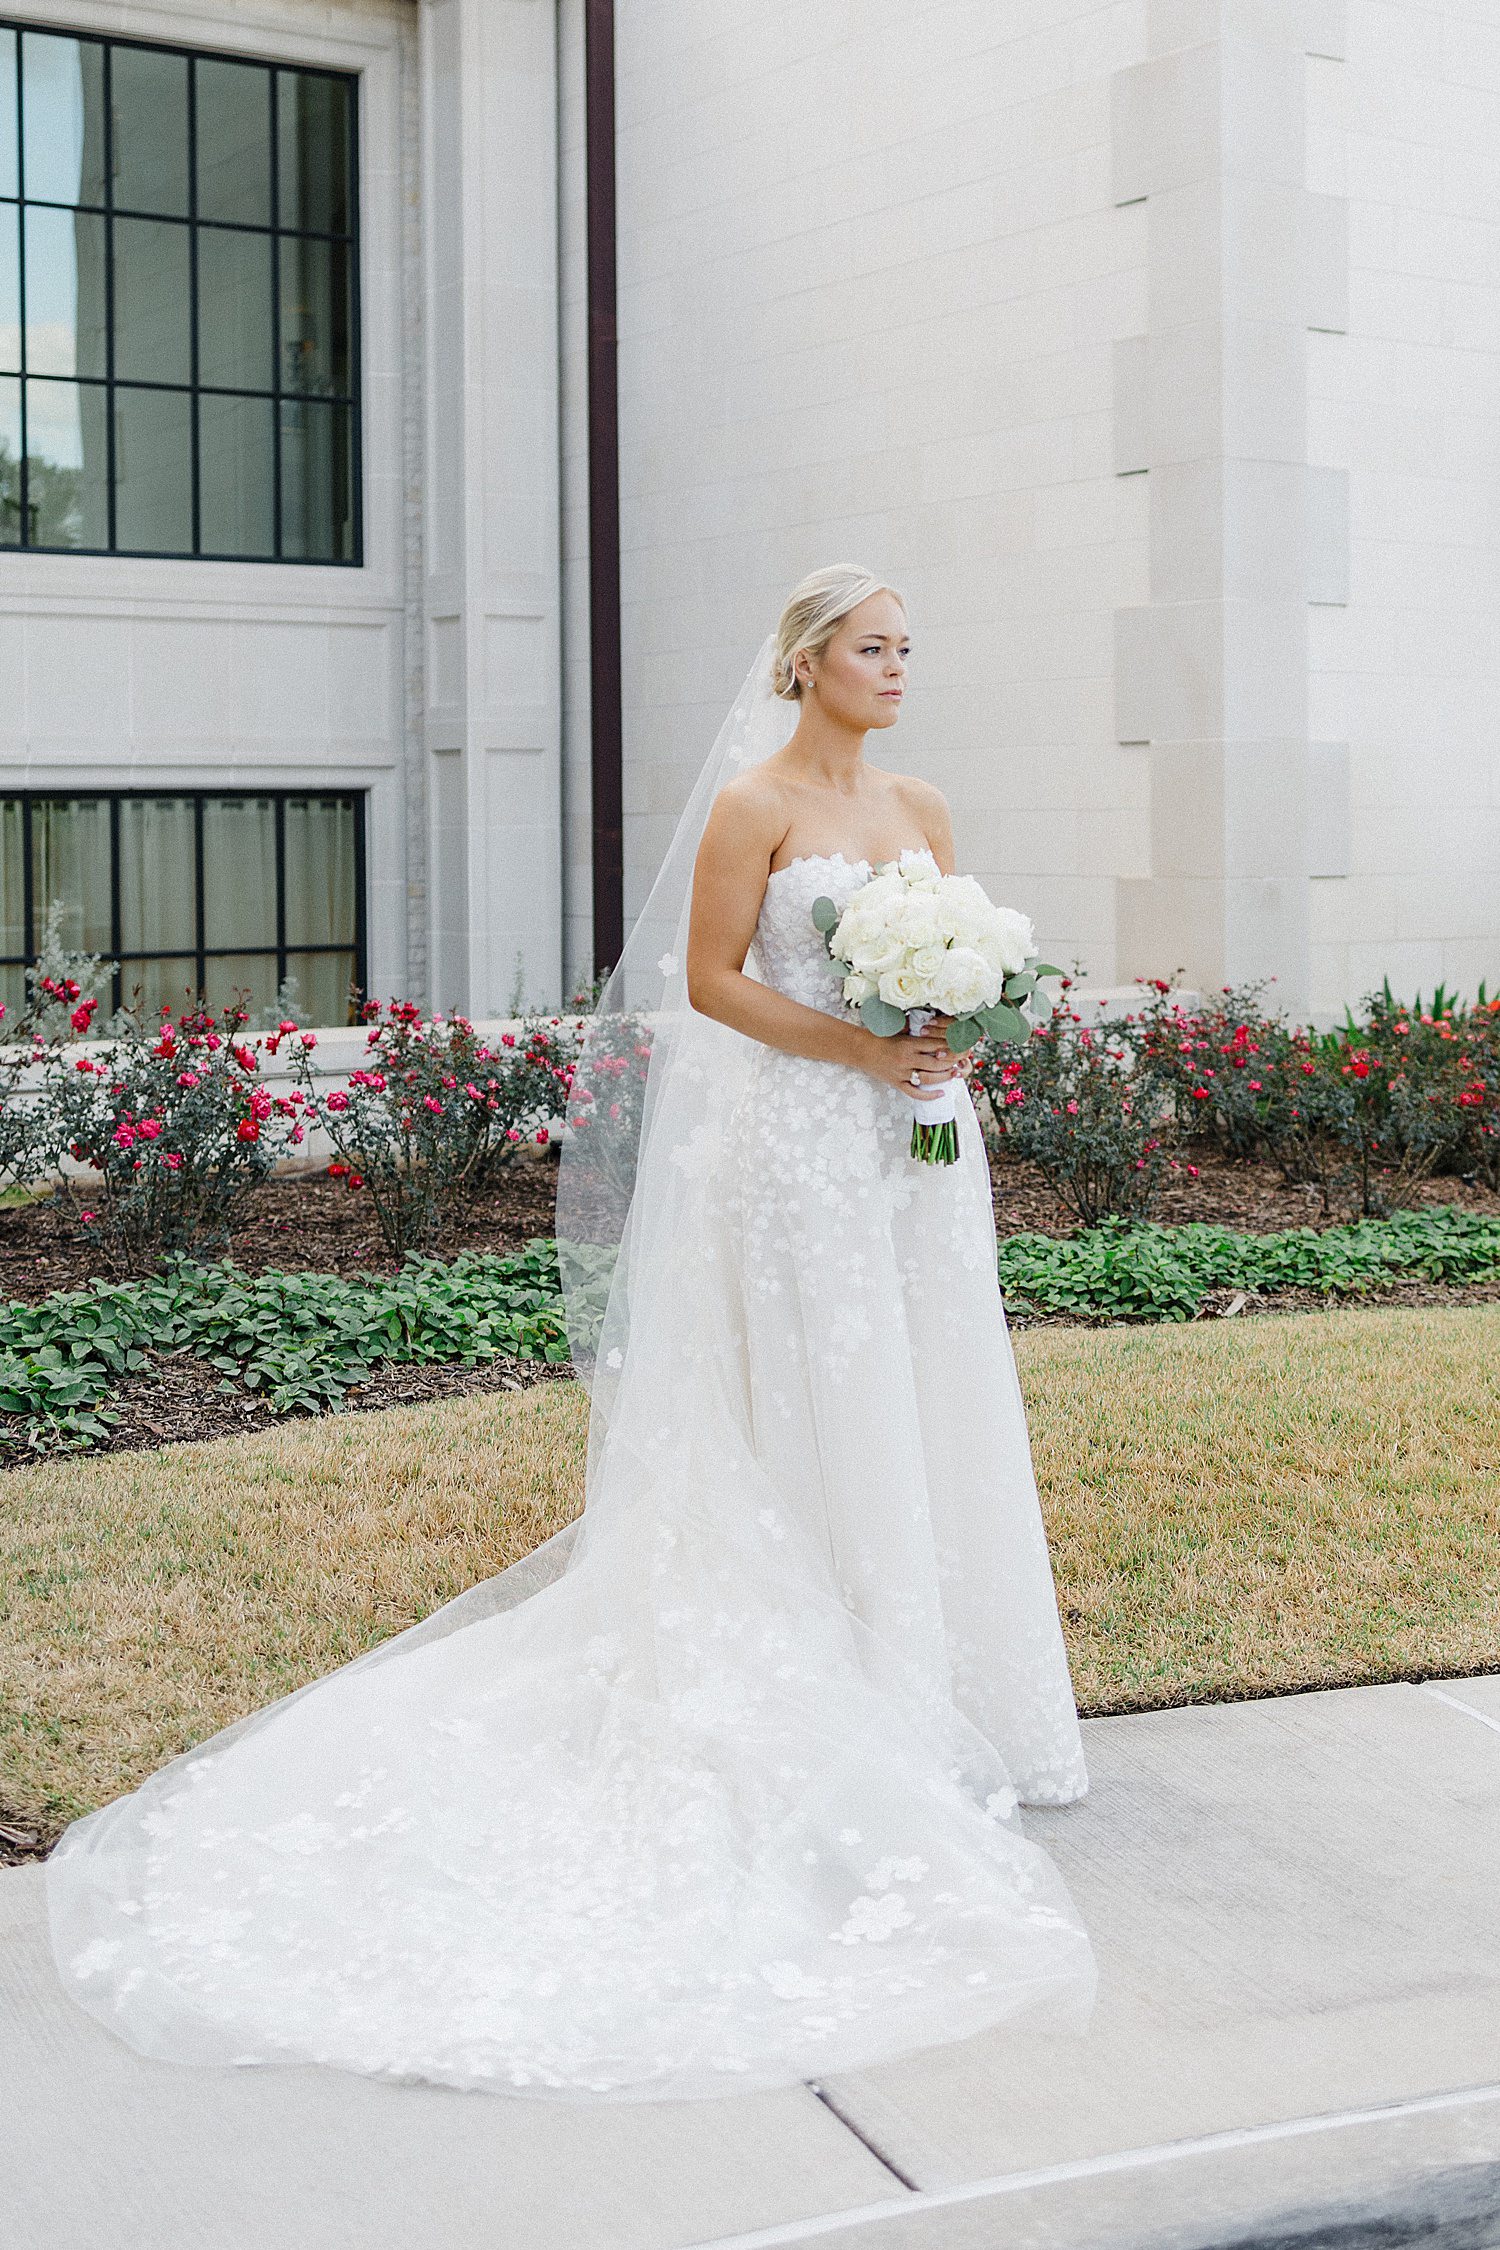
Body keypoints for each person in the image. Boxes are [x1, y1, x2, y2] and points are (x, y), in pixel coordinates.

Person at [44, 564, 1096, 2102]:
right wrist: (865, 1045)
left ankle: (950, 1693)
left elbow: (956, 957)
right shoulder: (753, 806)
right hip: (804, 1137)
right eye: (874, 647)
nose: (898, 668)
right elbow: (714, 987)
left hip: (916, 1147)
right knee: (822, 1391)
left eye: (908, 647)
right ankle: (843, 1697)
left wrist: (939, 1038)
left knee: (929, 1386)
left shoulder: (923, 807)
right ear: (806, 661)